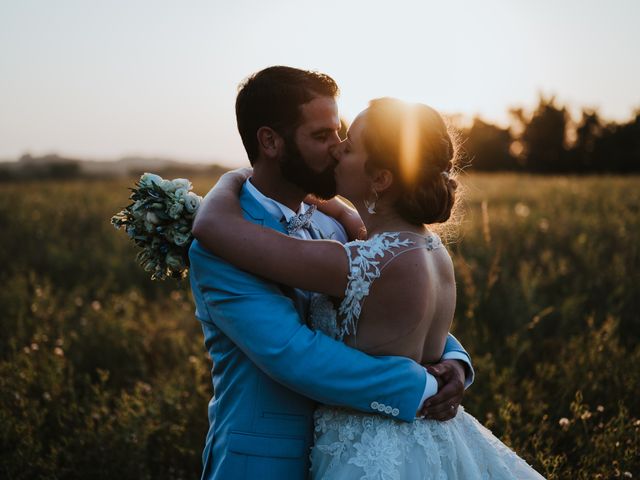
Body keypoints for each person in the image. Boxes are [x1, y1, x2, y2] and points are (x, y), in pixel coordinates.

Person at [194, 96, 545, 478]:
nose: (337, 148)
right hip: (425, 441)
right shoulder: (427, 248)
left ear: (380, 178)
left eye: (348, 143)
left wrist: (232, 178)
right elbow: (403, 315)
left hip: (368, 453)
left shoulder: (355, 259)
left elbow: (213, 227)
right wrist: (451, 368)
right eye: (327, 135)